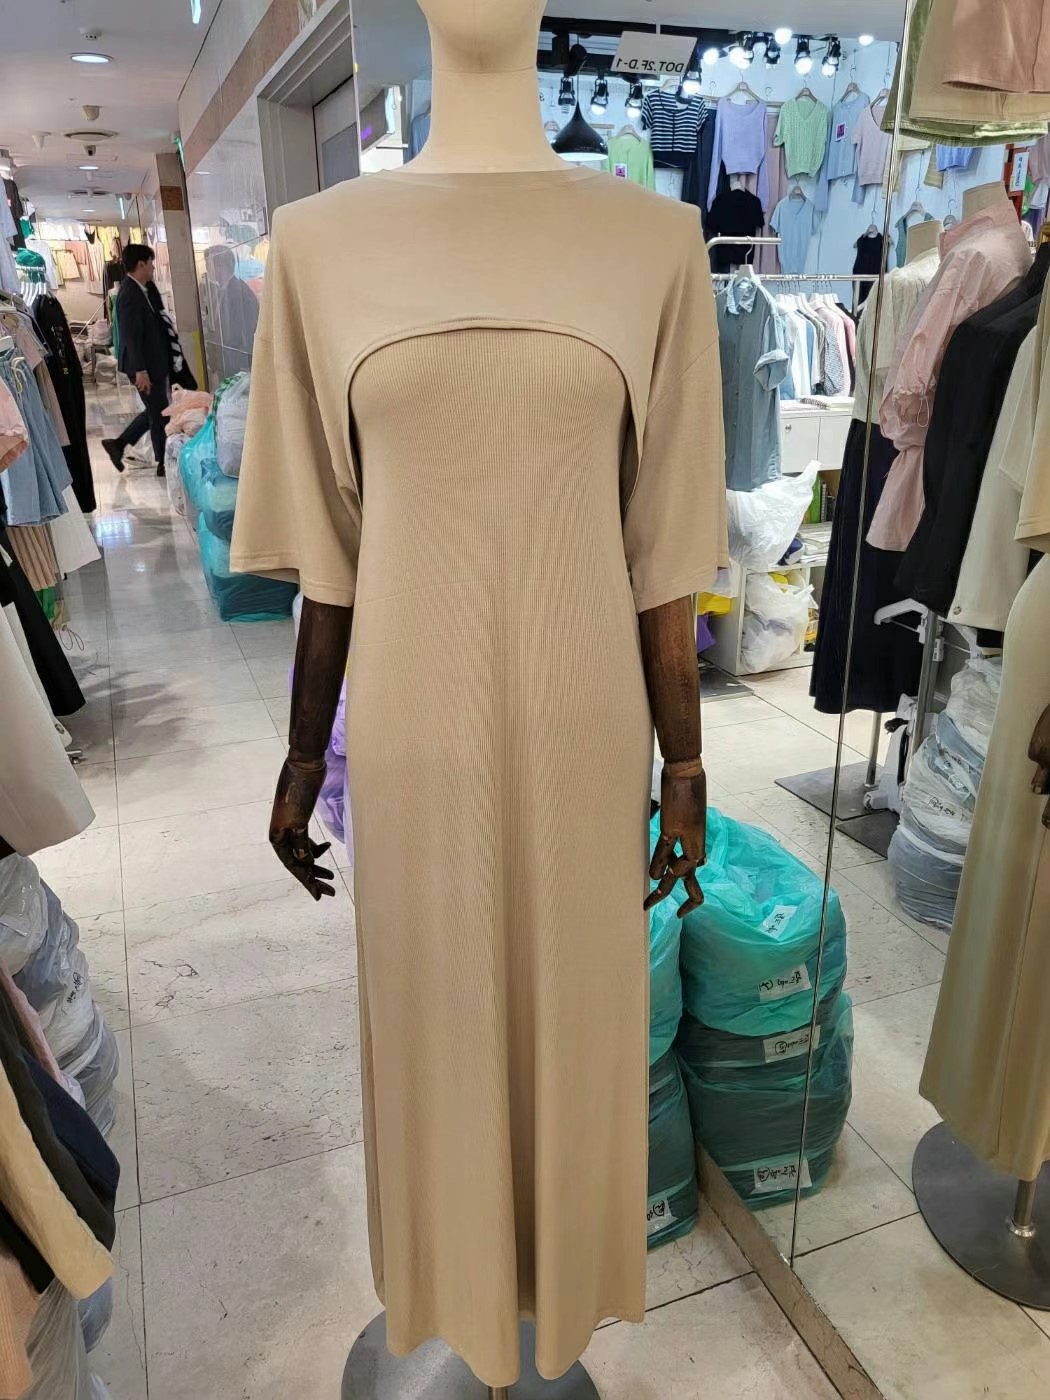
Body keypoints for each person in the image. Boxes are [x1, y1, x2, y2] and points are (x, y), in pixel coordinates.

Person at [101, 244, 171, 477]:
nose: (153, 268)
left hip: (150, 364)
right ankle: (162, 461)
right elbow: (130, 335)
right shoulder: (130, 293)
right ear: (141, 264)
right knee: (159, 411)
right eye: (151, 263)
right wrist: (140, 369)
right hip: (143, 367)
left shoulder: (140, 289)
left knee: (156, 409)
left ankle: (118, 445)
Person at [204, 245, 259, 357]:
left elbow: (238, 335)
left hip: (237, 359)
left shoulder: (238, 293)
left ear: (221, 266)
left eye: (208, 264)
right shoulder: (221, 290)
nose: (206, 269)